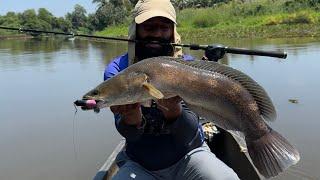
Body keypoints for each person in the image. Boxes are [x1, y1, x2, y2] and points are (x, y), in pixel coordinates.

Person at [104, 0, 240, 179]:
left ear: (173, 31)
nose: (158, 34)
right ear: (135, 29)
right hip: (141, 164)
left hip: (189, 155)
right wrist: (132, 118)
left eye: (165, 27)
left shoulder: (189, 67)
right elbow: (130, 135)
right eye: (149, 27)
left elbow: (189, 133)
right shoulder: (117, 72)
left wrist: (174, 111)